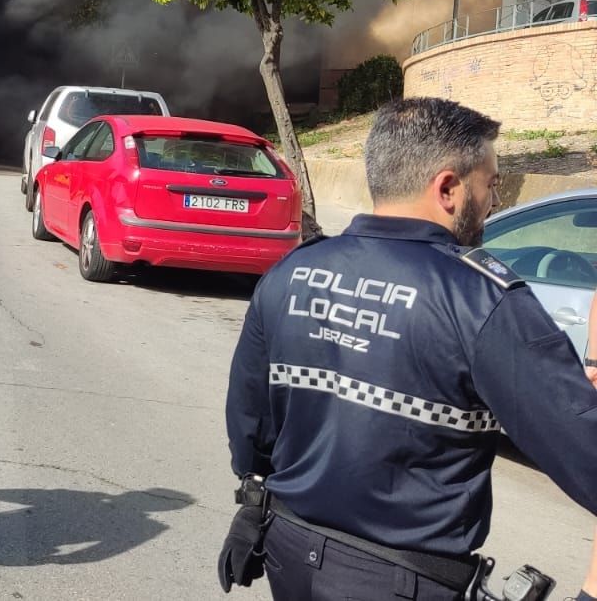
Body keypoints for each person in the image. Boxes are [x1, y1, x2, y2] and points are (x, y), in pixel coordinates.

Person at [222, 97, 597, 600]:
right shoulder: (482, 299)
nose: (493, 202)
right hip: (400, 579)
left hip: (290, 550)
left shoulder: (293, 272)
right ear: (447, 187)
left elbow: (250, 427)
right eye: (490, 184)